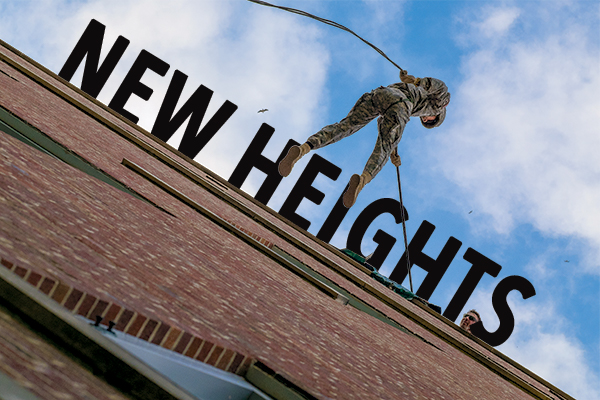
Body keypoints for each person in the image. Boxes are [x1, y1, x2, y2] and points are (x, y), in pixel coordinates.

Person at [278, 69, 450, 208]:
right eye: (430, 120)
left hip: (381, 94)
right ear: (438, 115)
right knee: (382, 148)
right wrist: (417, 81)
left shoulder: (413, 96)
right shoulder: (437, 105)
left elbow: (385, 123)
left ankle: (303, 149)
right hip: (401, 106)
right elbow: (441, 89)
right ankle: (361, 182)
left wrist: (394, 152)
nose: (426, 119)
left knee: (345, 127)